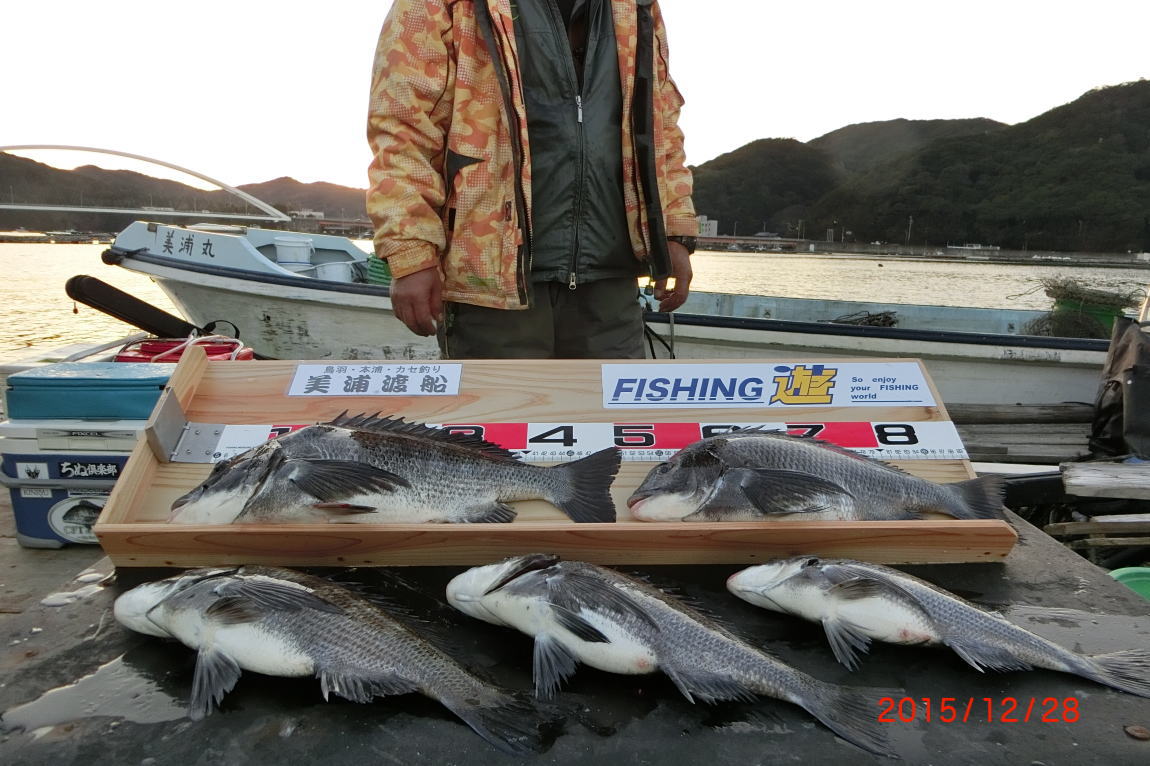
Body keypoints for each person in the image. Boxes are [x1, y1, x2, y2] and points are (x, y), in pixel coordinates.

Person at [366, 0, 696, 359]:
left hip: (610, 281)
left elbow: (660, 120)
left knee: (606, 398)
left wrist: (674, 230)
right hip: (490, 282)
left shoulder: (638, 4)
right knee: (497, 398)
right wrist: (412, 253)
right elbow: (403, 127)